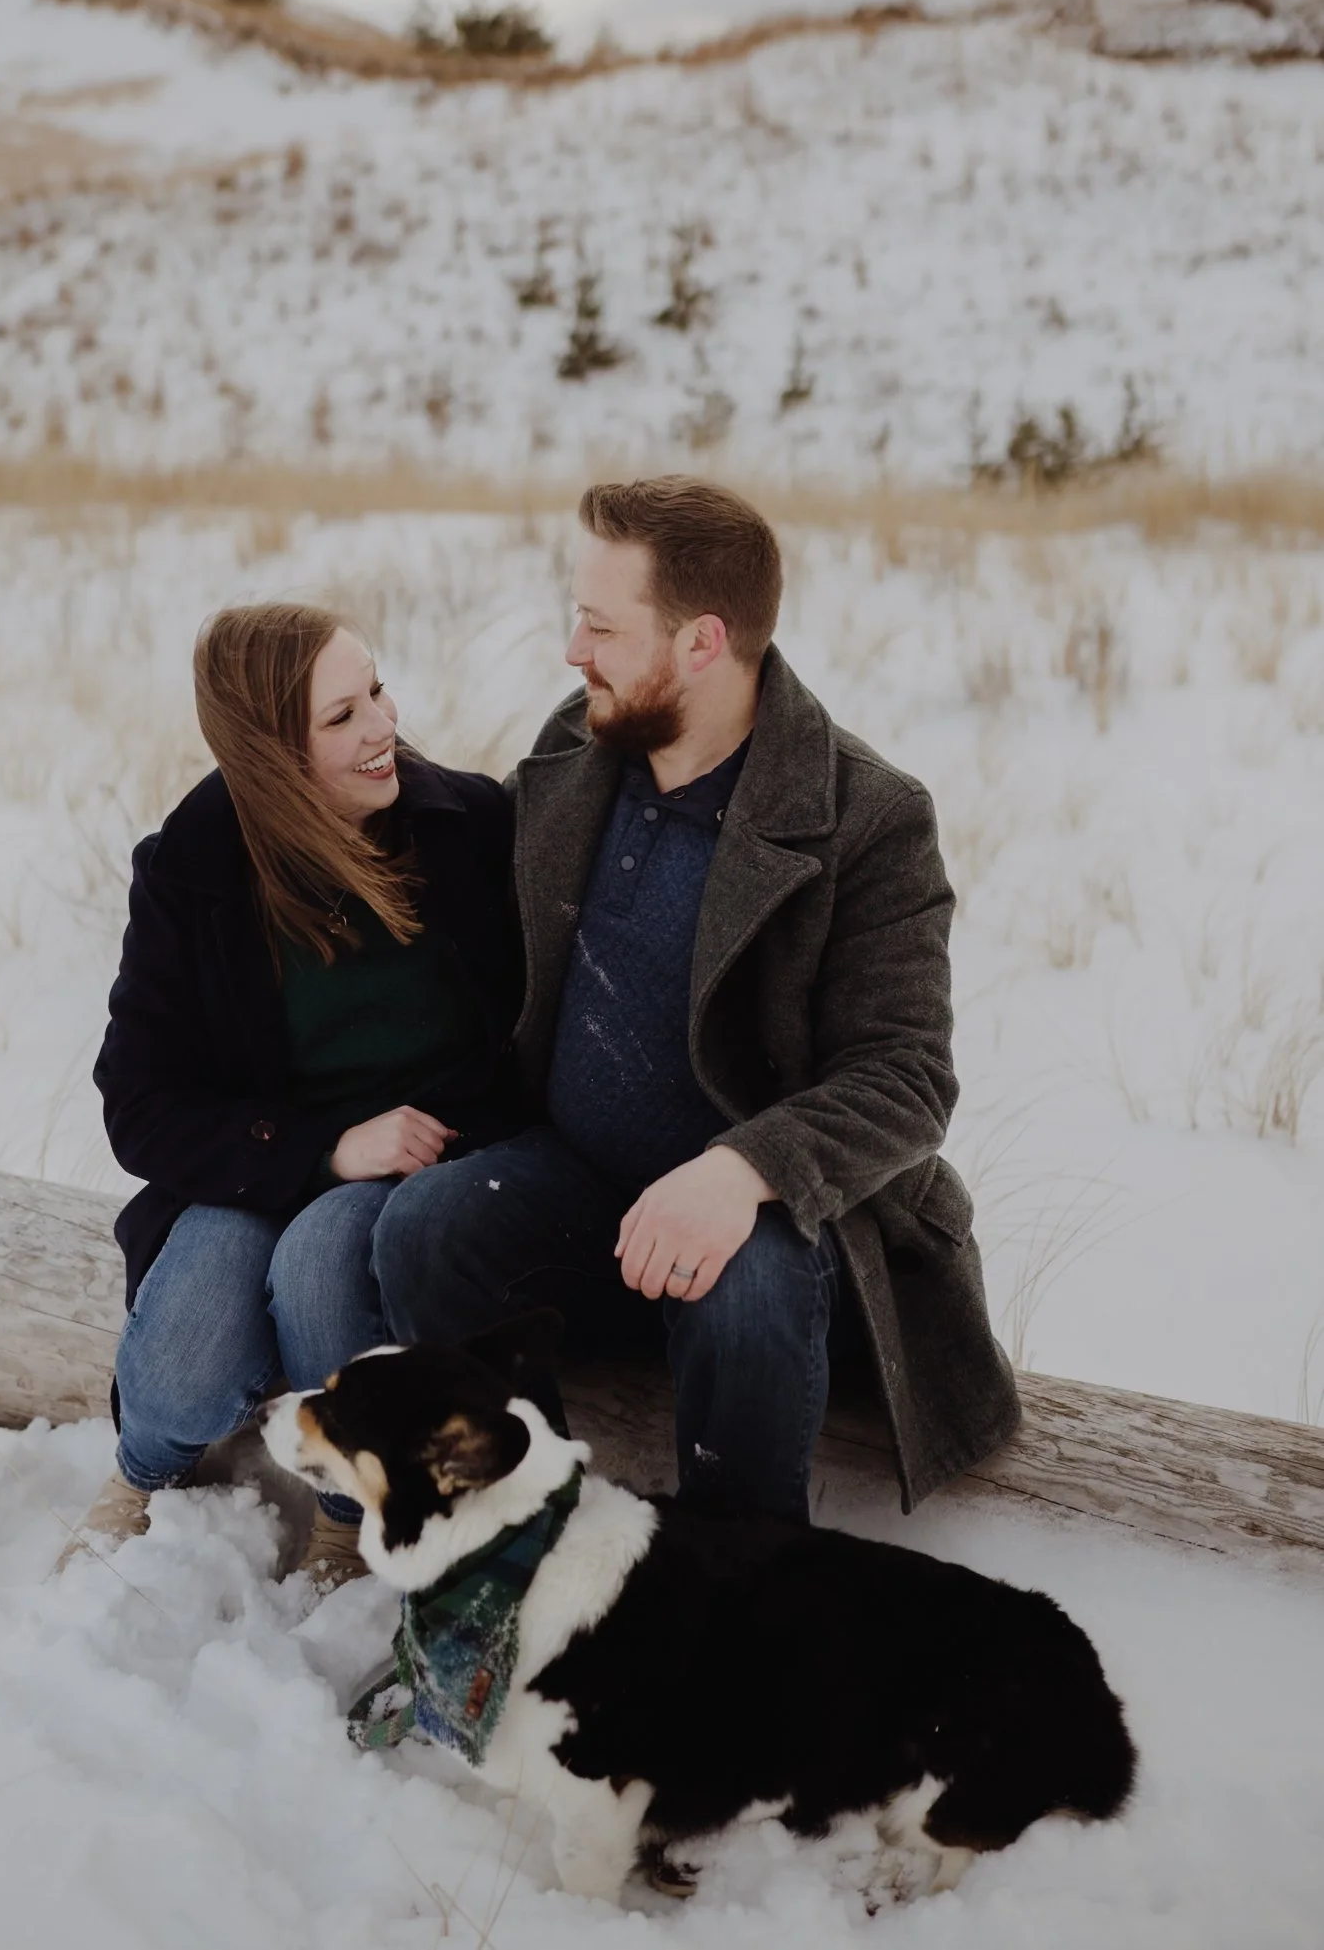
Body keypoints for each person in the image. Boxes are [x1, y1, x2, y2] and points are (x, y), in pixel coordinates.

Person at [373, 476, 1020, 1524]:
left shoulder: (867, 816)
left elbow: (906, 1077)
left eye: (599, 625)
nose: (572, 649)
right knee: (426, 1231)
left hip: (770, 1220)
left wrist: (740, 1169)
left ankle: (739, 1593)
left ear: (701, 643)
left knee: (748, 1287)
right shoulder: (582, 739)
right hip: (581, 1183)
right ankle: (523, 1533)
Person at [74, 602, 524, 1582]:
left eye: (375, 689)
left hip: (420, 1163)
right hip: (262, 1160)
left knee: (323, 1269)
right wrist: (319, 1148)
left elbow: (525, 1043)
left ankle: (341, 1516)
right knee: (181, 1365)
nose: (382, 724)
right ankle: (140, 1472)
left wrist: (416, 1147)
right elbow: (139, 1101)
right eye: (341, 716)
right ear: (272, 753)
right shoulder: (191, 874)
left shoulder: (468, 829)